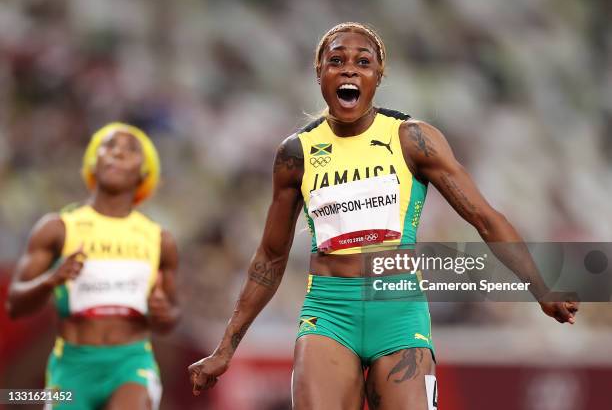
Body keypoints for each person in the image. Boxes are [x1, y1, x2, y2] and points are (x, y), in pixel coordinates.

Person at [188, 22, 579, 410]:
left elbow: (485, 218)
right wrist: (226, 348)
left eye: (364, 61)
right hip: (328, 312)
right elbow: (270, 257)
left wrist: (539, 286)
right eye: (336, 60)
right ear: (319, 73)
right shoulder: (296, 154)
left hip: (398, 310)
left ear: (378, 76)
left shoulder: (412, 139)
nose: (350, 69)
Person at [6, 123, 179, 410]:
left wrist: (163, 312)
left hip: (130, 363)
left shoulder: (159, 239)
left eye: (130, 150)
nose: (118, 153)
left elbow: (172, 317)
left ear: (145, 172)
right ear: (92, 163)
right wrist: (51, 280)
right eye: (109, 146)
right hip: (72, 367)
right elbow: (15, 304)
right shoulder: (57, 229)